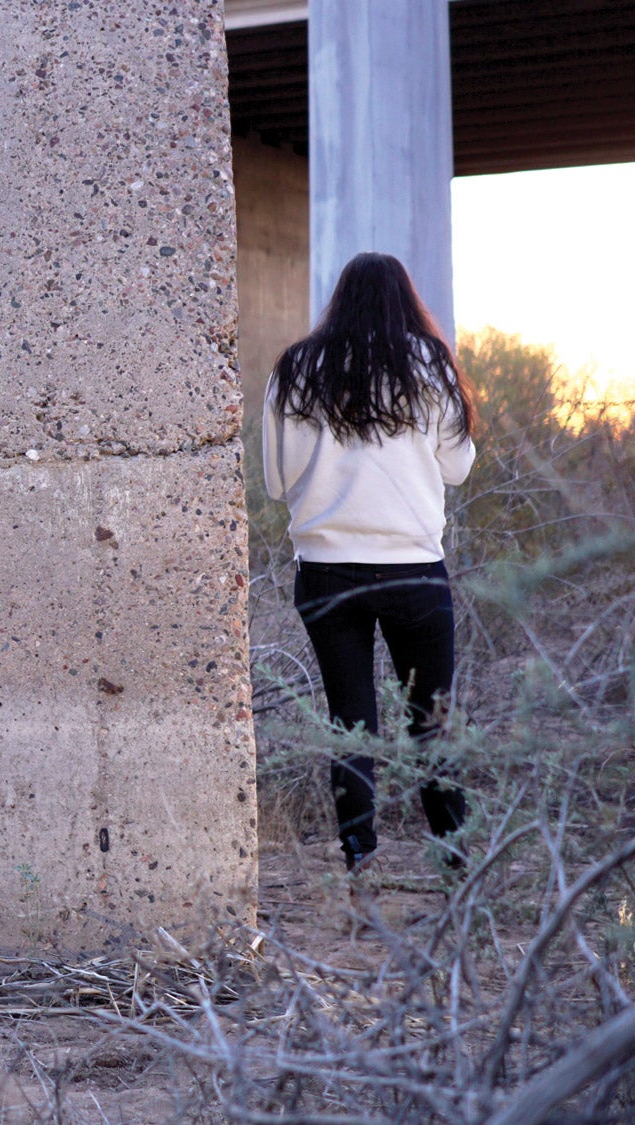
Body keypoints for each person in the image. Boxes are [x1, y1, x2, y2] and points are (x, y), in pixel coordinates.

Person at [263, 251, 477, 873]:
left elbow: (276, 483)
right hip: (414, 569)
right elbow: (459, 468)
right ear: (405, 299)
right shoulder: (431, 363)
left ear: (340, 298)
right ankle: (454, 862)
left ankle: (358, 859)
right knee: (431, 721)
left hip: (327, 573)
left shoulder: (298, 367)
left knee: (349, 722)